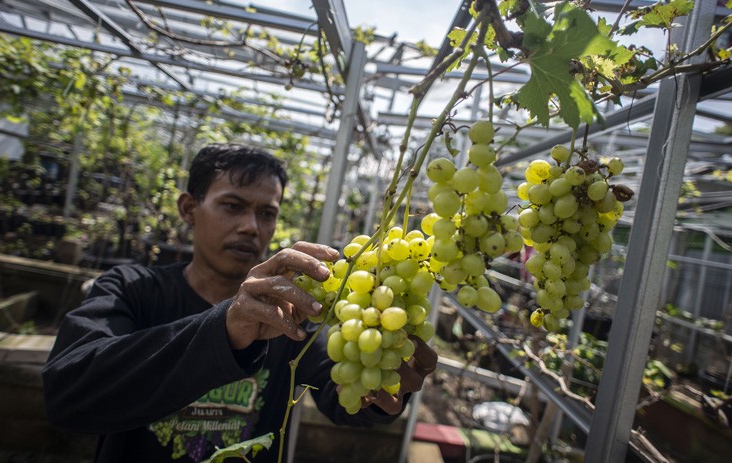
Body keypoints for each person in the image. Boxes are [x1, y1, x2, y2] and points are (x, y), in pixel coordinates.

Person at [43, 143, 438, 463]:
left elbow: (343, 394)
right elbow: (68, 394)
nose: (252, 227)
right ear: (189, 209)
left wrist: (385, 392)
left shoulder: (289, 309)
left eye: (267, 213)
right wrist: (224, 329)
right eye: (233, 206)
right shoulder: (133, 289)